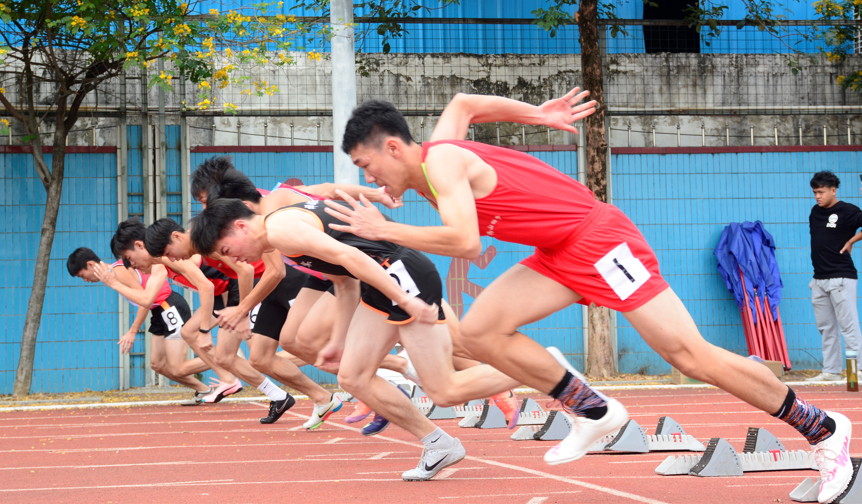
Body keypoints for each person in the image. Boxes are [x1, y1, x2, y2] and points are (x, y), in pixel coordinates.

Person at [328, 93, 854, 504]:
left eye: (365, 163)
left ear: (392, 147)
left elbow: (465, 240)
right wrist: (536, 114)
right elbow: (464, 105)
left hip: (600, 243)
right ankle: (593, 409)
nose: (366, 176)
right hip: (558, 251)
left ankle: (825, 430)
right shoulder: (431, 159)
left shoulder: (440, 164)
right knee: (480, 330)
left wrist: (386, 228)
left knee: (690, 356)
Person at [188, 197, 523, 481]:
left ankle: (544, 370)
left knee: (445, 388)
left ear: (241, 227)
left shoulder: (282, 229)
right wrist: (337, 339)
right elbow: (345, 282)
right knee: (352, 376)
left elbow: (353, 258)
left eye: (228, 249)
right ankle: (440, 445)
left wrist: (403, 299)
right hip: (381, 285)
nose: (234, 260)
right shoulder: (280, 237)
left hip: (400, 276)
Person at [145, 216, 344, 426]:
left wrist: (241, 313)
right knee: (259, 358)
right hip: (262, 289)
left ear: (177, 236)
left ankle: (371, 375)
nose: (172, 259)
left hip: (282, 281)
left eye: (169, 254)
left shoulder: (207, 242)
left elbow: (245, 270)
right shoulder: (199, 247)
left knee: (304, 343)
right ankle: (321, 398)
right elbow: (230, 278)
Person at [109, 218, 287, 413]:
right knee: (194, 335)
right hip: (223, 292)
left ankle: (275, 389)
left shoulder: (169, 258)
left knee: (249, 354)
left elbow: (207, 285)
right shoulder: (161, 263)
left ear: (140, 245)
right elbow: (147, 299)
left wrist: (208, 328)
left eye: (130, 258)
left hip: (235, 288)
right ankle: (238, 382)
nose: (132, 265)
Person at [66, 247, 215, 402]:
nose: (84, 280)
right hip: (158, 312)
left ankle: (226, 358)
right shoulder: (112, 275)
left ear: (91, 265)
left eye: (81, 275)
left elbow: (145, 300)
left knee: (178, 367)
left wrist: (132, 331)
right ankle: (204, 390)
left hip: (168, 306)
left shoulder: (119, 271)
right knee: (157, 365)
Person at [807, 170, 862, 383]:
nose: (817, 196)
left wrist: (852, 241)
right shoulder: (815, 212)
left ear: (833, 190)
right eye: (814, 192)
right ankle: (831, 370)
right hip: (819, 279)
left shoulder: (848, 211)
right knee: (826, 328)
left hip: (841, 278)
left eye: (821, 192)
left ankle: (856, 371)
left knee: (848, 327)